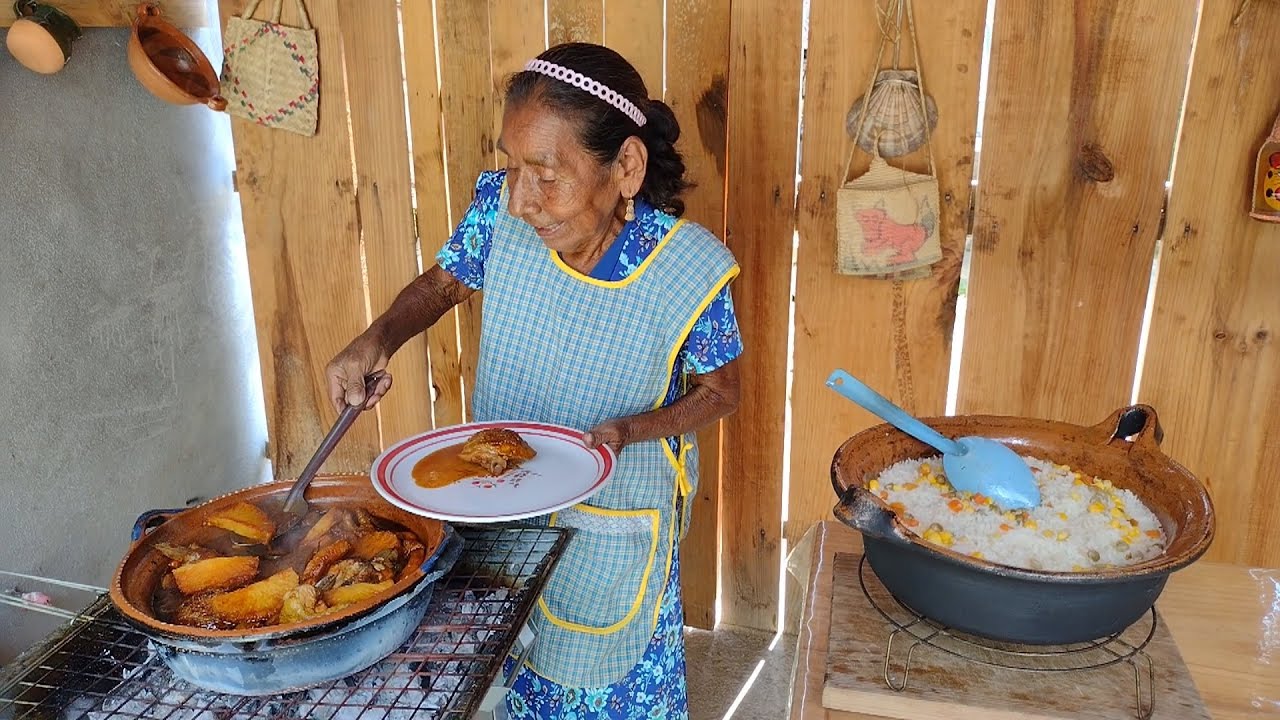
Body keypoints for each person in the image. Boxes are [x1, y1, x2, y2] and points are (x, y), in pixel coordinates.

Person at [325, 42, 742, 719]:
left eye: (545, 171)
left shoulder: (687, 269)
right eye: (512, 165)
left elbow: (723, 392)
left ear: (626, 166)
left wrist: (630, 428)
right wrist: (378, 338)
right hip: (503, 502)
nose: (521, 199)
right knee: (507, 670)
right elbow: (441, 283)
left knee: (603, 680)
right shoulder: (501, 213)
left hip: (620, 518)